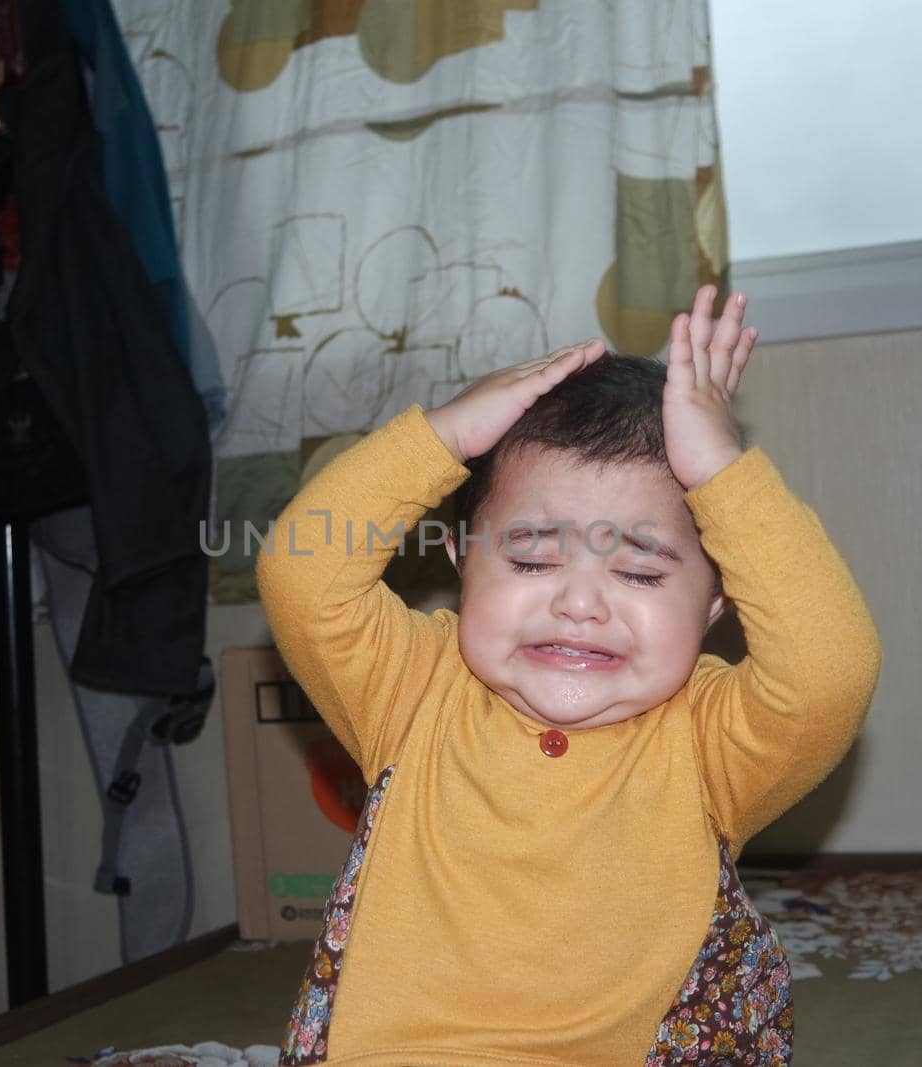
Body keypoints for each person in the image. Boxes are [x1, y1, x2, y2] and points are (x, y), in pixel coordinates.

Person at [255, 286, 883, 1066]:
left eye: (641, 572)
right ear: (460, 562)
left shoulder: (710, 737)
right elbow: (299, 575)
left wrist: (725, 473)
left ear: (718, 602)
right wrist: (443, 436)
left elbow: (831, 672)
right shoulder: (414, 687)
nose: (580, 602)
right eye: (529, 558)